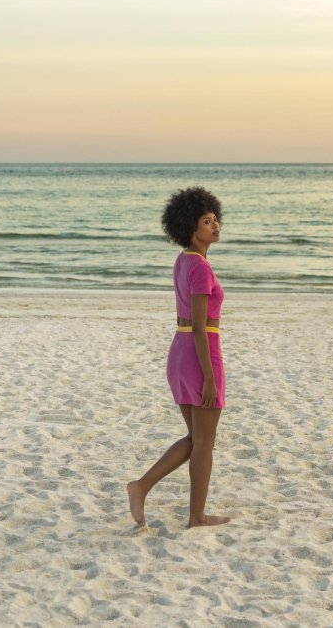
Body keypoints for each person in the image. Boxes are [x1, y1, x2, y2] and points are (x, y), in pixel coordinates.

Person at [127, 186, 231, 528]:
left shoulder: (183, 260)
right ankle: (195, 516)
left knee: (195, 440)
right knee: (204, 444)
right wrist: (211, 378)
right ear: (190, 227)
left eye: (215, 219)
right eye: (206, 221)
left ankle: (142, 487)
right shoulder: (200, 268)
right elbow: (201, 327)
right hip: (201, 352)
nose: (215, 226)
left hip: (180, 351)